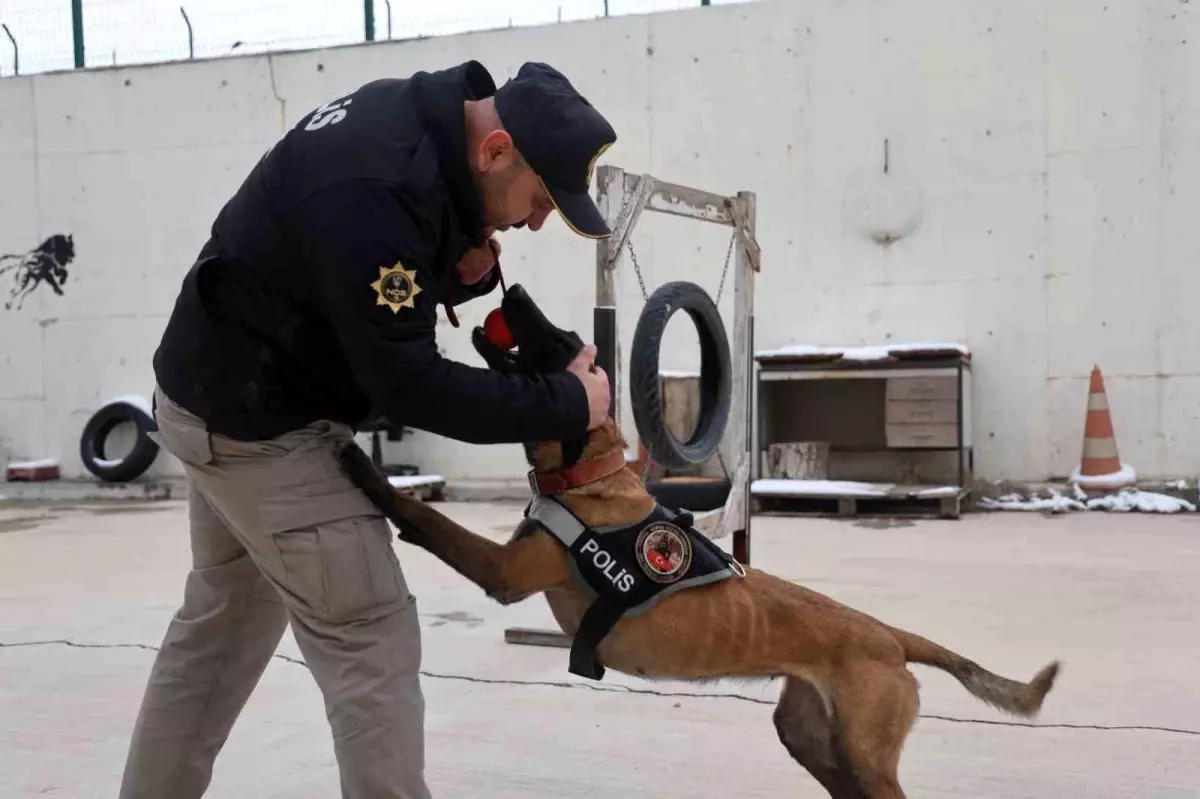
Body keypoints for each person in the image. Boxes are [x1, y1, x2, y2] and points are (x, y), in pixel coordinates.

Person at [118, 60, 615, 799]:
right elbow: (410, 385)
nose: (535, 220)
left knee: (218, 636)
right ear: (495, 149)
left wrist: (456, 268)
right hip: (263, 428)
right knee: (370, 637)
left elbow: (348, 276)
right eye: (541, 199)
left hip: (211, 399)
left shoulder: (413, 123)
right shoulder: (380, 189)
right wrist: (572, 405)